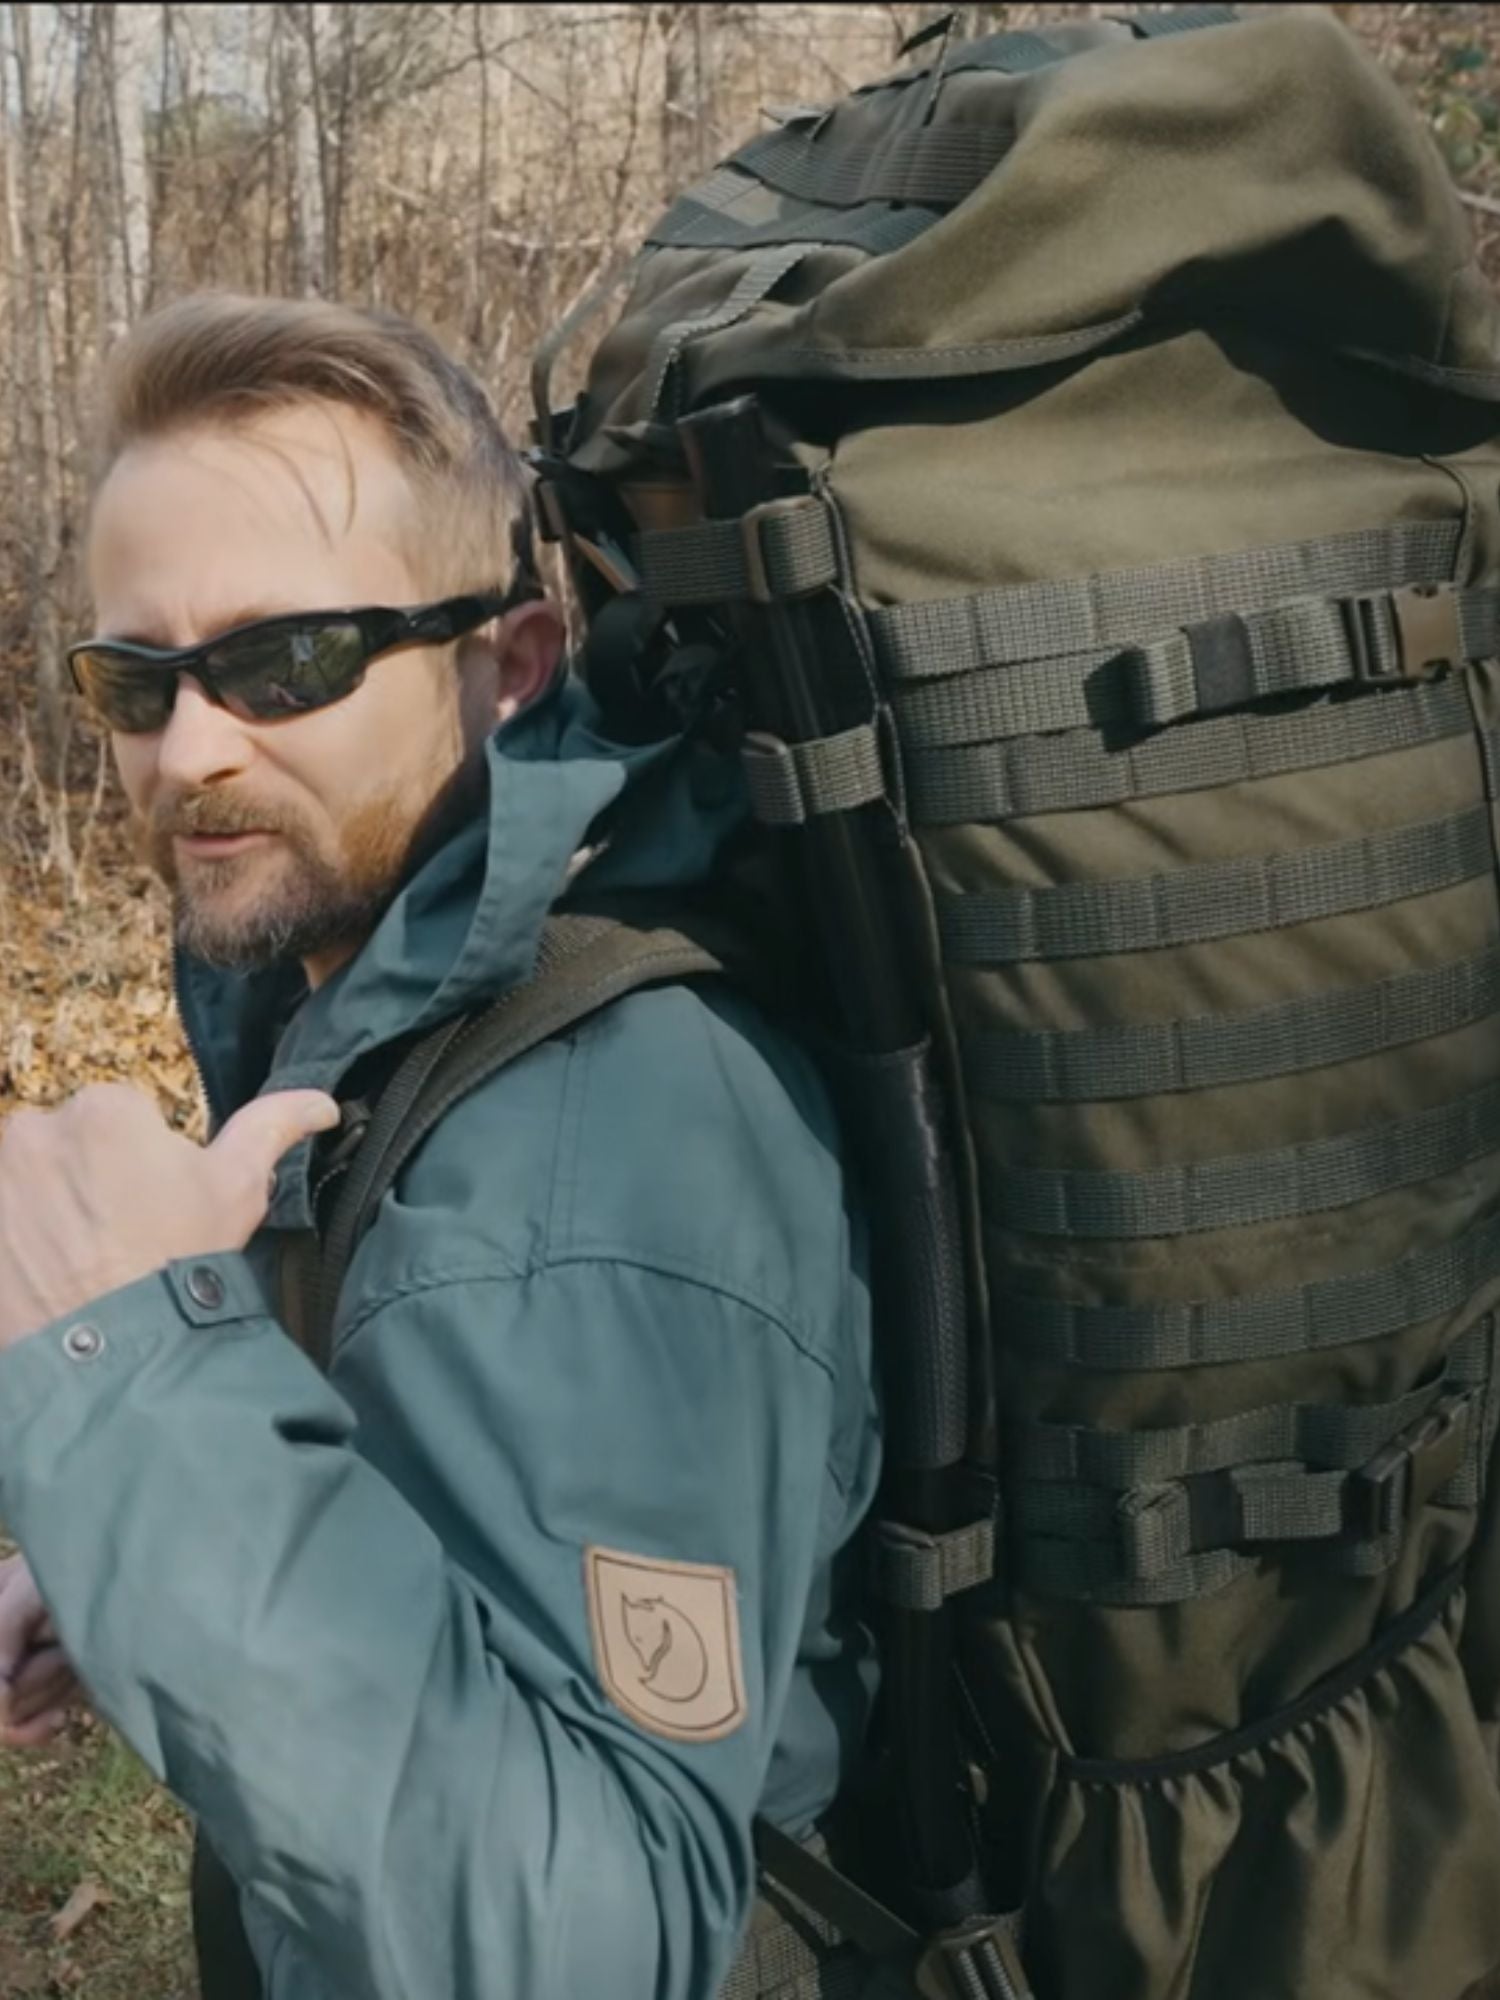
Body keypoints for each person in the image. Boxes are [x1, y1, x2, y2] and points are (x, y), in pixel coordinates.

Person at [0, 293, 878, 2000]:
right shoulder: (382, 1009)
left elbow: (575, 1947)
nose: (191, 749)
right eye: (136, 676)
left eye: (289, 661)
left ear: (512, 664)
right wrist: (122, 1551)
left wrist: (126, 1398)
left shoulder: (599, 1147)